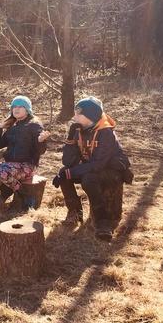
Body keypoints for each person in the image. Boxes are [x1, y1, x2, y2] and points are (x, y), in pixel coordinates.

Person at [52, 96, 133, 241]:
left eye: (78, 114)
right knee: (63, 173)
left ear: (90, 117)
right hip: (92, 167)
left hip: (111, 170)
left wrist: (74, 172)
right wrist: (71, 139)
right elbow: (68, 161)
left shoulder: (106, 133)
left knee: (88, 180)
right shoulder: (79, 130)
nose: (74, 117)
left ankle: (103, 223)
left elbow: (99, 163)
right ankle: (74, 212)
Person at [0, 95, 50, 209]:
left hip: (28, 166)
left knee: (2, 172)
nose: (16, 109)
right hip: (12, 166)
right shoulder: (13, 126)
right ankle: (6, 192)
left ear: (27, 109)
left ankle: (25, 195)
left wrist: (41, 141)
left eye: (21, 106)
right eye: (14, 106)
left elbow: (41, 151)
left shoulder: (34, 125)